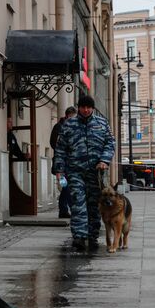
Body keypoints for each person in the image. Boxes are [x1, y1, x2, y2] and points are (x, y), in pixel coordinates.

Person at [53, 95, 115, 251]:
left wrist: (104, 160)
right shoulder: (69, 125)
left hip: (96, 173)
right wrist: (59, 170)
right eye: (83, 107)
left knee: (93, 204)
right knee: (78, 203)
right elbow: (60, 148)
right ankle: (79, 236)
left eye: (89, 107)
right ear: (79, 107)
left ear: (93, 108)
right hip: (75, 171)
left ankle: (92, 235)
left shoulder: (102, 123)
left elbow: (110, 143)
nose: (86, 110)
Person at [50, 106, 77, 218]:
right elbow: (54, 143)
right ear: (67, 115)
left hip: (70, 164)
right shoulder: (59, 127)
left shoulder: (72, 127)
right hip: (61, 165)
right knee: (65, 187)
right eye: (72, 117)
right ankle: (64, 210)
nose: (73, 119)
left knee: (67, 187)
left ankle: (65, 210)